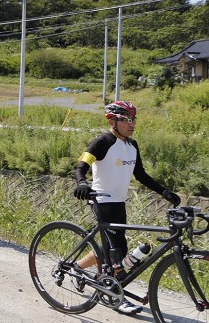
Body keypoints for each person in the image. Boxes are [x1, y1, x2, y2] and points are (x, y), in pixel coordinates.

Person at [73, 100, 181, 316]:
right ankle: (115, 297)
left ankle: (77, 268)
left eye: (133, 119)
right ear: (113, 121)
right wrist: (82, 183)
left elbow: (140, 174)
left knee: (110, 246)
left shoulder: (132, 145)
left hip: (120, 202)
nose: (131, 124)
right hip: (102, 201)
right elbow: (80, 166)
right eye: (126, 120)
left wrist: (164, 192)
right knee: (117, 250)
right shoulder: (101, 142)